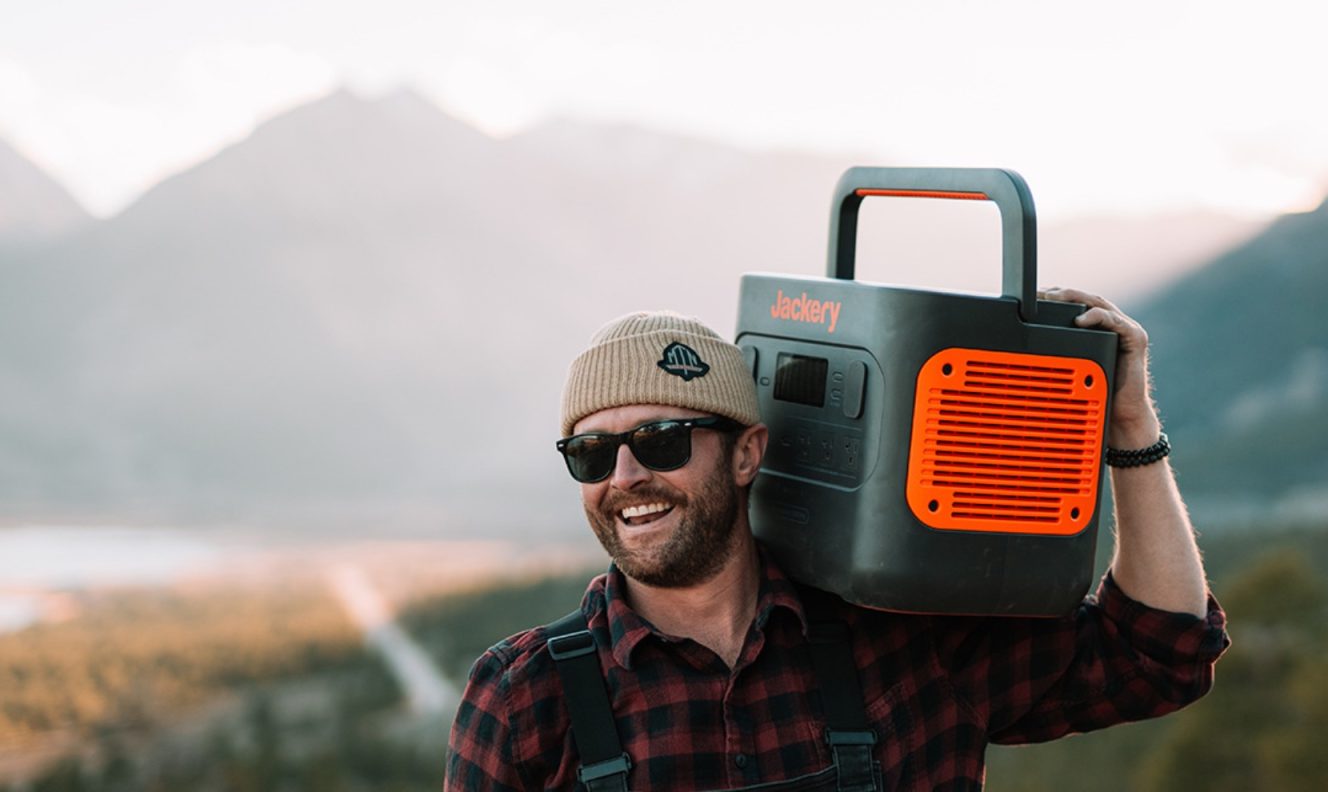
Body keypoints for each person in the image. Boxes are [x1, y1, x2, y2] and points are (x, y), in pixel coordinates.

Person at [445, 288, 1228, 791]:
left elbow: (1159, 653)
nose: (623, 477)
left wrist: (1129, 427)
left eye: (661, 440)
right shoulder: (525, 700)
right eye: (589, 452)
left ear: (746, 453)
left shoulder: (905, 641)